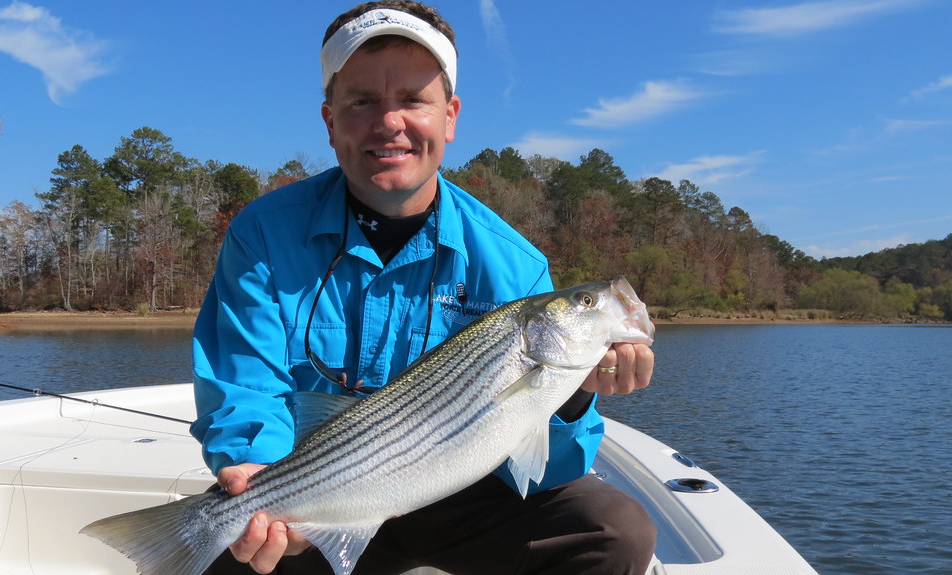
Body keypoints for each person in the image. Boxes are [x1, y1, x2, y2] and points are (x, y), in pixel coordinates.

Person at [191, 1, 657, 574]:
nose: (390, 123)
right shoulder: (264, 234)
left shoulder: (516, 265)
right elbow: (245, 385)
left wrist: (577, 393)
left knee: (613, 530)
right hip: (322, 492)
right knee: (232, 548)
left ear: (450, 116)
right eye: (362, 102)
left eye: (414, 99)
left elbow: (547, 470)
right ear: (330, 121)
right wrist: (256, 472)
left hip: (464, 498)